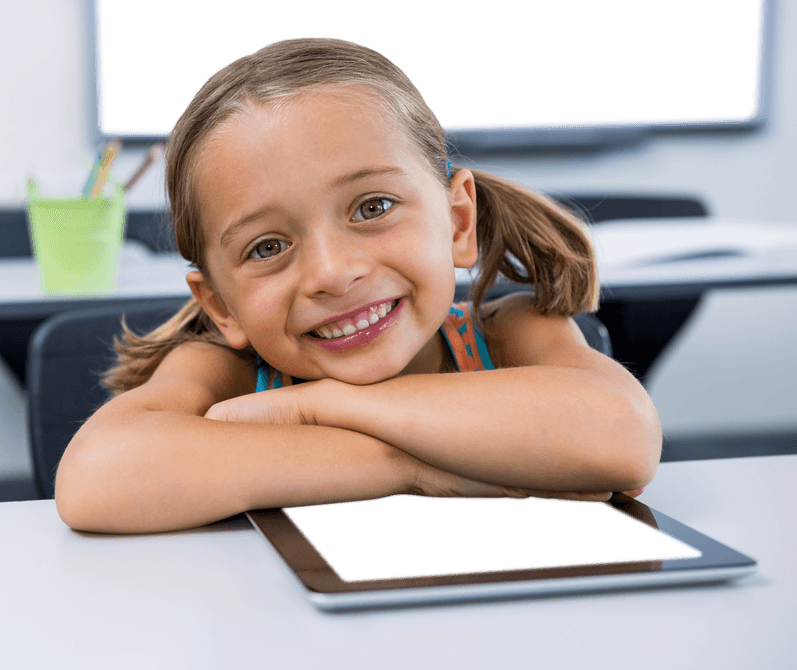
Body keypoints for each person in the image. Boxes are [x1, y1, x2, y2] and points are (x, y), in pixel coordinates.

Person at [55, 37, 661, 534]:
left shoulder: (511, 333)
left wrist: (320, 406)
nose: (333, 273)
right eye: (267, 247)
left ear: (458, 222)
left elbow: (624, 434)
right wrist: (406, 467)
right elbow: (96, 476)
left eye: (372, 208)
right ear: (220, 305)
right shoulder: (229, 377)